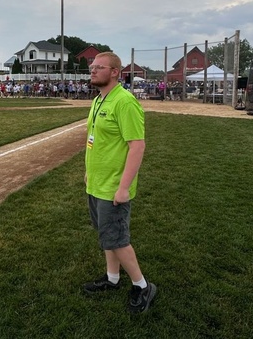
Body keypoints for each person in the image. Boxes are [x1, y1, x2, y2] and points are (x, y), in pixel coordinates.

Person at [83, 52, 156, 313]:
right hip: (97, 183)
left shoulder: (125, 102)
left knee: (118, 239)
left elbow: (137, 146)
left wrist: (124, 187)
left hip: (114, 187)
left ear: (115, 72)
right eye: (92, 67)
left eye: (98, 67)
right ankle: (112, 278)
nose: (92, 71)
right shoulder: (99, 100)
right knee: (107, 236)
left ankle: (142, 285)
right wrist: (89, 172)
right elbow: (96, 141)